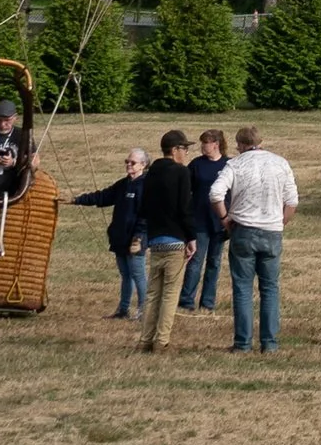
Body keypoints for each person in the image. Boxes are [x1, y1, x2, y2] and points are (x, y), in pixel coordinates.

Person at [211, 123, 301, 353]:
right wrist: (281, 222)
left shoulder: (235, 164)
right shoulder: (280, 163)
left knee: (242, 287)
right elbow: (292, 201)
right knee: (270, 287)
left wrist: (224, 218)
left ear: (241, 145)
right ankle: (269, 342)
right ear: (260, 142)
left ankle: (243, 343)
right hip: (271, 230)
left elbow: (215, 193)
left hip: (244, 229)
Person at [136, 129, 201, 353]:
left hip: (155, 240)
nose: (186, 153)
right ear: (174, 150)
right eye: (184, 149)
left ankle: (145, 339)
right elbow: (185, 208)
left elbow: (143, 207)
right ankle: (161, 341)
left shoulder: (151, 172)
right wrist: (191, 237)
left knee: (153, 293)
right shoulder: (181, 173)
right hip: (175, 240)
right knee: (170, 294)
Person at [74, 147, 151, 321]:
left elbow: (146, 215)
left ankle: (144, 311)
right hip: (120, 237)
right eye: (127, 162)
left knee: (138, 274)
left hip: (135, 239)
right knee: (126, 274)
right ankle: (123, 310)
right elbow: (103, 196)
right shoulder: (123, 184)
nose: (128, 165)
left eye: (132, 163)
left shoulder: (146, 186)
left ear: (143, 165)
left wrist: (138, 237)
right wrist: (77, 200)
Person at [186, 129, 230, 313]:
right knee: (196, 261)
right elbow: (187, 190)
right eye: (202, 142)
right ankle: (186, 300)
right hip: (200, 220)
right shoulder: (196, 164)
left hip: (220, 221)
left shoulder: (229, 164)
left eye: (206, 142)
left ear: (216, 144)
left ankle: (208, 302)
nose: (203, 146)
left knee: (215, 262)